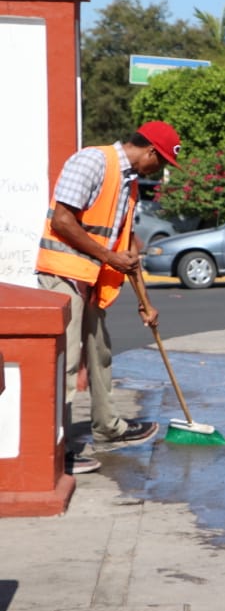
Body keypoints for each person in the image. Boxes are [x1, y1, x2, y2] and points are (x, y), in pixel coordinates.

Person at [36, 122, 180, 474]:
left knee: (99, 354)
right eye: (160, 163)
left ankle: (108, 428)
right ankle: (60, 447)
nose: (159, 172)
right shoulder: (92, 162)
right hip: (64, 274)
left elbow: (128, 249)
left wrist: (146, 302)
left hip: (94, 278)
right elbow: (64, 221)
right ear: (150, 152)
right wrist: (109, 258)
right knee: (67, 361)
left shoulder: (129, 186)